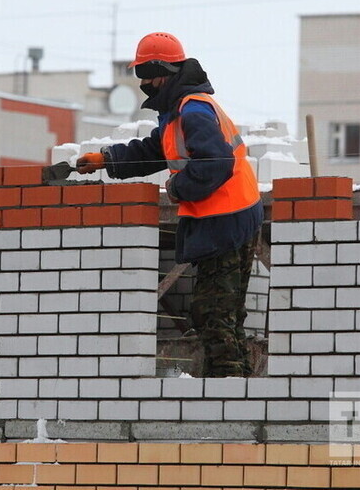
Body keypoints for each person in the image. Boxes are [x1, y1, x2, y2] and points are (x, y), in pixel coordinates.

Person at [76, 32, 262, 378]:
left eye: (147, 73)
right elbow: (153, 151)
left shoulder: (193, 110)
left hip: (228, 217)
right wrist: (105, 159)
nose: (144, 82)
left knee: (212, 311)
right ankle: (237, 386)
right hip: (227, 216)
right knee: (223, 312)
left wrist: (178, 187)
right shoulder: (179, 110)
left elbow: (217, 162)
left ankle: (231, 388)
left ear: (165, 70)